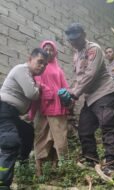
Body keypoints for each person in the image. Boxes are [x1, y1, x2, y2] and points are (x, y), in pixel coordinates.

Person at [65, 23, 114, 175]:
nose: (74, 43)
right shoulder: (76, 55)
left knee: (108, 126)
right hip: (90, 98)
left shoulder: (94, 49)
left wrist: (75, 93)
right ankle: (91, 160)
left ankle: (112, 163)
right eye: (71, 41)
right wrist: (72, 94)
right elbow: (79, 78)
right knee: (84, 128)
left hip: (104, 93)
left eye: (76, 39)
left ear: (83, 34)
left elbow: (90, 74)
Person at [0, 48, 48, 189]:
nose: (42, 66)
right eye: (39, 62)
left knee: (27, 132)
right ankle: (2, 183)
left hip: (12, 113)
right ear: (29, 59)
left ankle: (23, 165)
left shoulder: (30, 76)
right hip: (3, 109)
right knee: (10, 142)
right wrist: (38, 88)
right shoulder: (22, 69)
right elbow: (32, 94)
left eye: (45, 64)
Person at [29, 40, 69, 176]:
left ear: (55, 52)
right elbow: (35, 82)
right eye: (45, 49)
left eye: (51, 49)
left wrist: (68, 97)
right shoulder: (40, 66)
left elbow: (65, 87)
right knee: (40, 136)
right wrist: (45, 90)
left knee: (59, 138)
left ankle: (60, 169)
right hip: (42, 106)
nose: (48, 51)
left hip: (57, 106)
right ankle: (39, 170)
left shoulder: (59, 70)